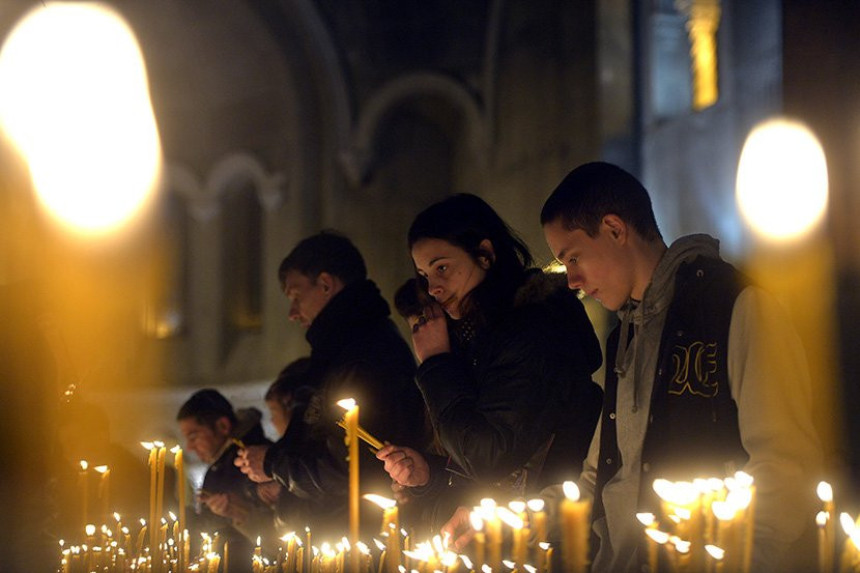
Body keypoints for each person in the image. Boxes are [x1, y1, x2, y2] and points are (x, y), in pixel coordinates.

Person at [540, 161, 822, 572]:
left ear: (616, 229)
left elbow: (784, 465)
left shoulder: (732, 306)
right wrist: (527, 519)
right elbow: (596, 479)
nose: (572, 281)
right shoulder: (623, 338)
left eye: (573, 258)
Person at [376, 193, 604, 538]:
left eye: (442, 268)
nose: (433, 288)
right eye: (424, 275)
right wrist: (430, 474)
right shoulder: (477, 337)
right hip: (506, 531)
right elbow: (484, 455)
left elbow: (491, 458)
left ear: (485, 254)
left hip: (549, 535)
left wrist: (437, 363)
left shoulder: (531, 330)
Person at [235, 230, 428, 539]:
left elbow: (348, 469)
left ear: (325, 284)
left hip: (352, 540)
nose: (292, 314)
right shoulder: (339, 350)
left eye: (296, 296)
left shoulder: (366, 353)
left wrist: (273, 463)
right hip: (332, 535)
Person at [177, 389, 275, 572]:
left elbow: (278, 529)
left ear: (222, 426)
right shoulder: (218, 466)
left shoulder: (257, 461)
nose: (189, 447)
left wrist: (240, 511)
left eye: (193, 436)